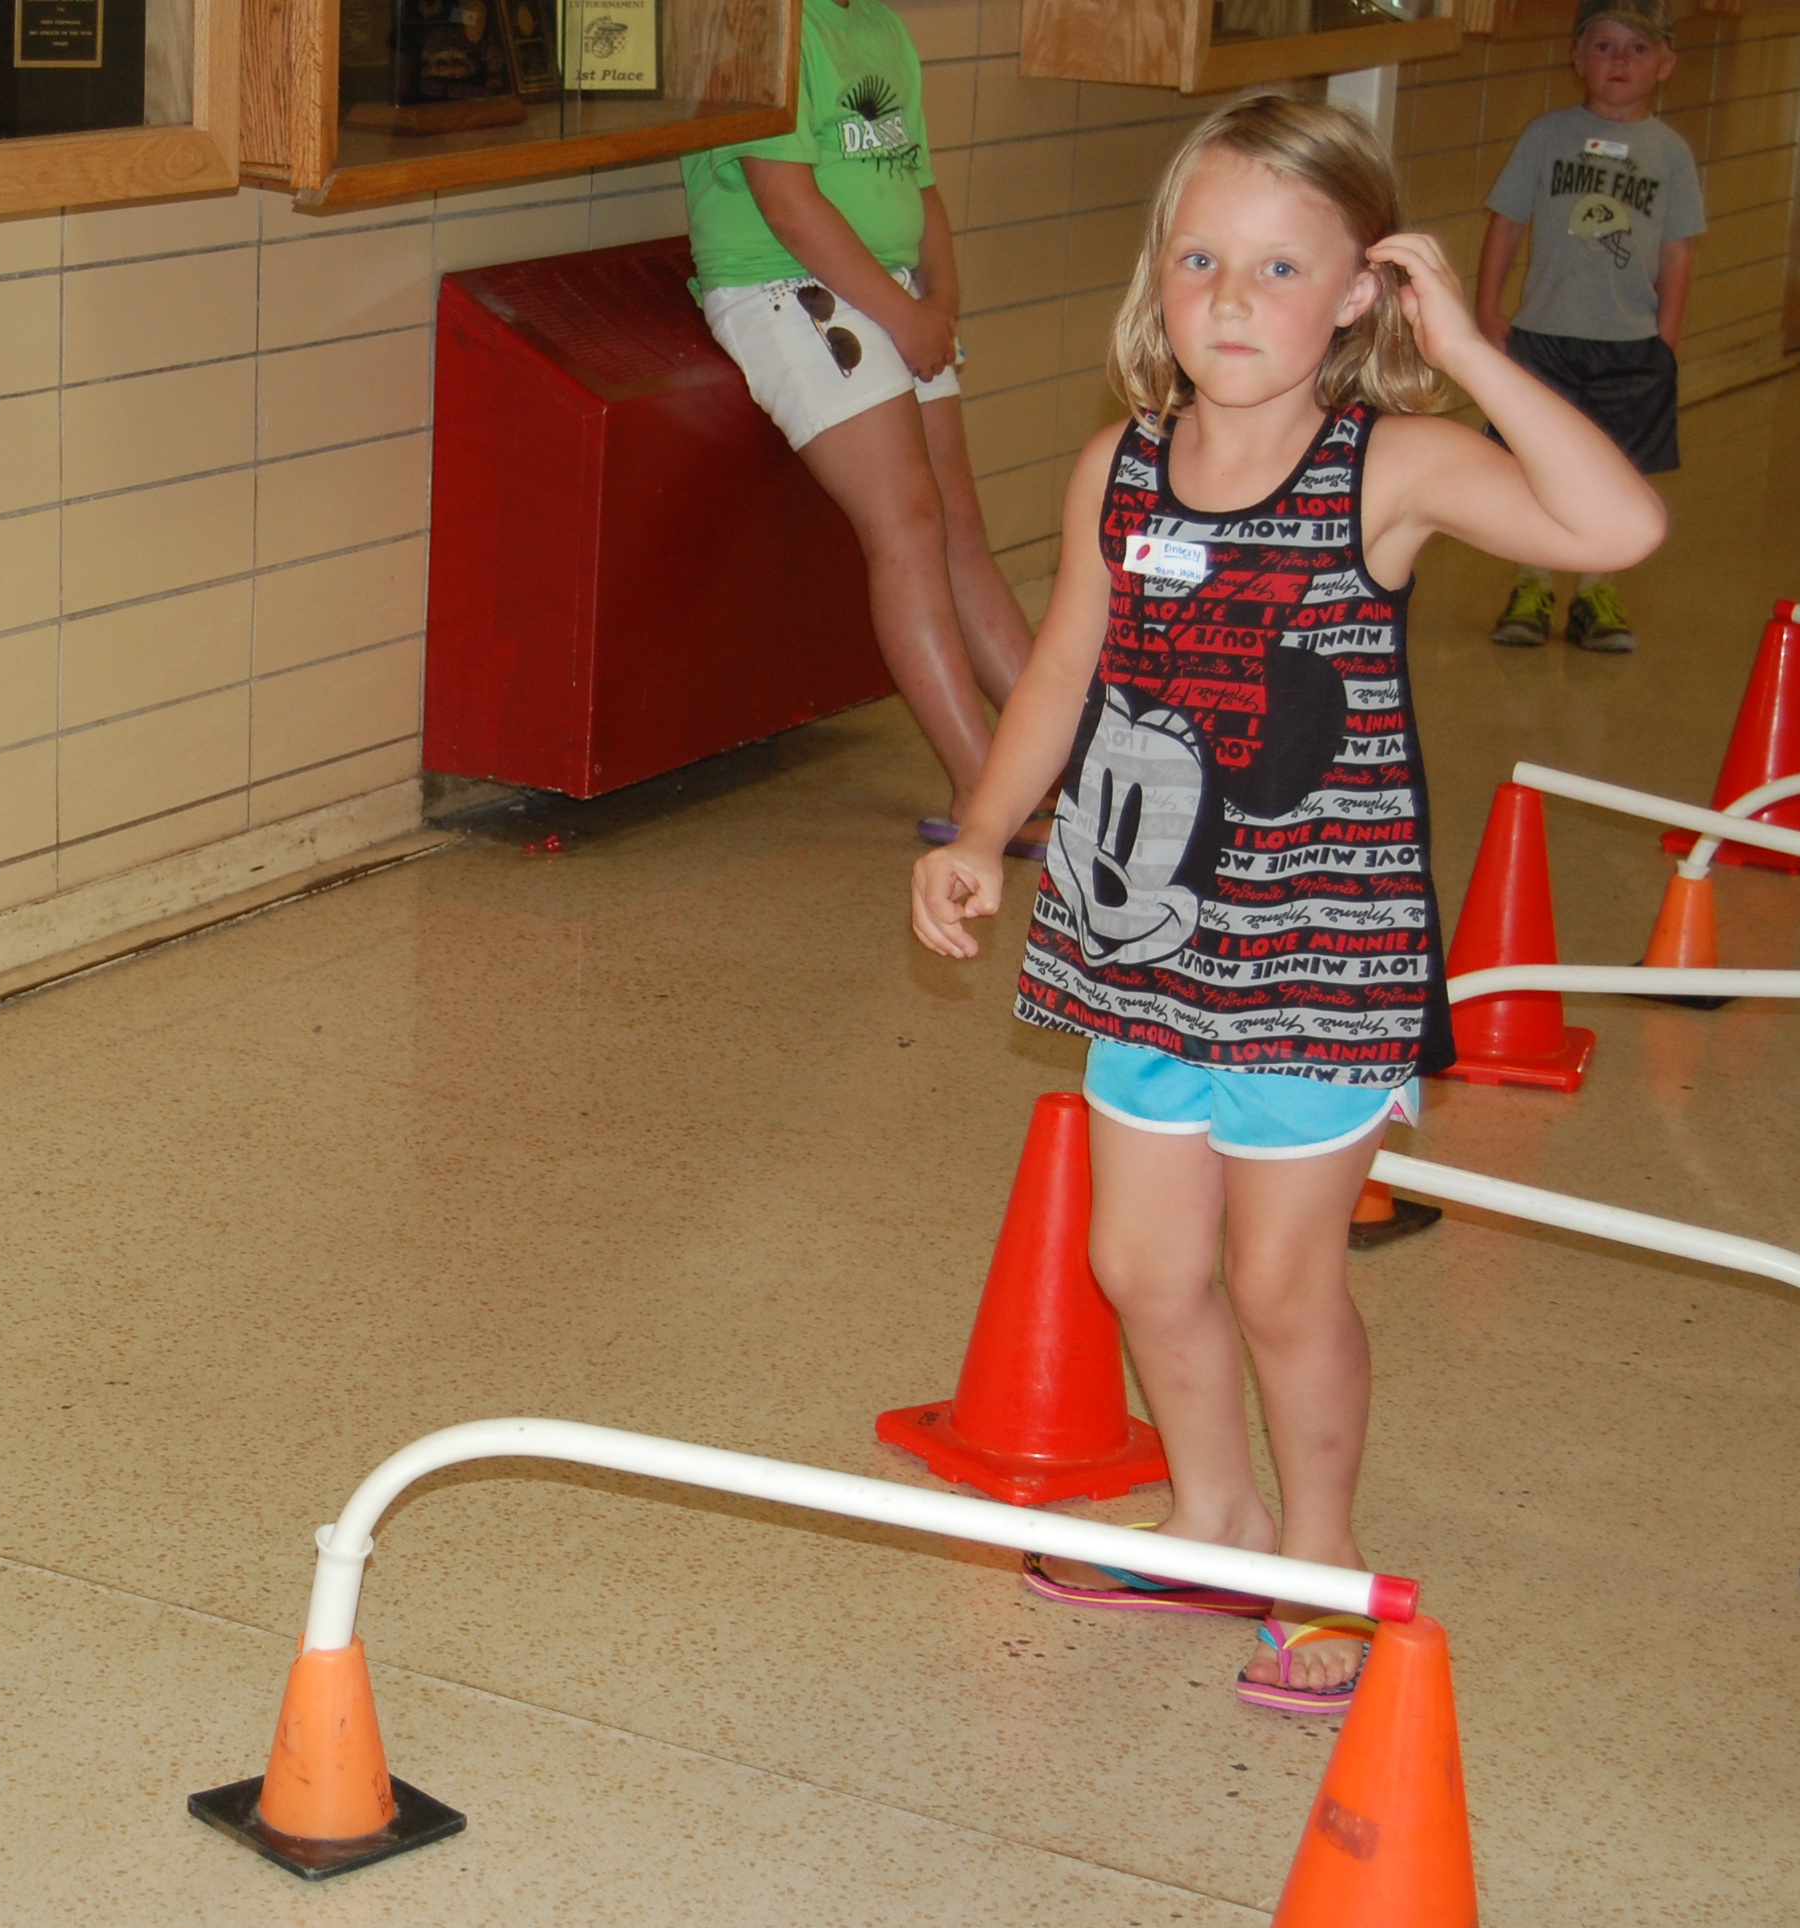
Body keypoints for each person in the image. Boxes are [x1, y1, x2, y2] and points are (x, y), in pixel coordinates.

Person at [909, 95, 1663, 1711]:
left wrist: (1464, 344)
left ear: (1356, 297)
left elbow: (1619, 524)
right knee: (1140, 1267)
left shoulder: (1384, 466)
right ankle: (1213, 1517)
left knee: (1276, 1281)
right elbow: (1063, 664)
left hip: (1320, 960)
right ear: (1155, 282)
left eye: (1275, 266)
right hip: (1142, 941)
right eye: (1199, 259)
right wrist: (982, 824)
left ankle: (1316, 1565)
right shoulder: (1118, 466)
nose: (1229, 298)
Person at [680, 0, 1044, 856]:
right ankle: (977, 783)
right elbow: (788, 205)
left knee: (960, 530)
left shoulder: (878, 24)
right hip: (782, 287)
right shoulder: (751, 26)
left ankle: (1059, 762)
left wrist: (939, 304)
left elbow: (921, 190)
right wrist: (904, 315)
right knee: (908, 527)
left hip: (890, 289)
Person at [1477, 0, 1702, 653]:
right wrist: (1488, 311)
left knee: (1617, 467)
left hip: (1631, 343)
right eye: (1603, 47)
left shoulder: (1670, 153)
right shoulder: (1546, 136)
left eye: (1638, 49)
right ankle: (1532, 582)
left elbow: (1678, 249)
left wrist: (1668, 333)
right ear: (1577, 58)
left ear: (1666, 64)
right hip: (1544, 335)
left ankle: (1598, 590)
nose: (1619, 62)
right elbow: (1507, 221)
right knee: (1533, 465)